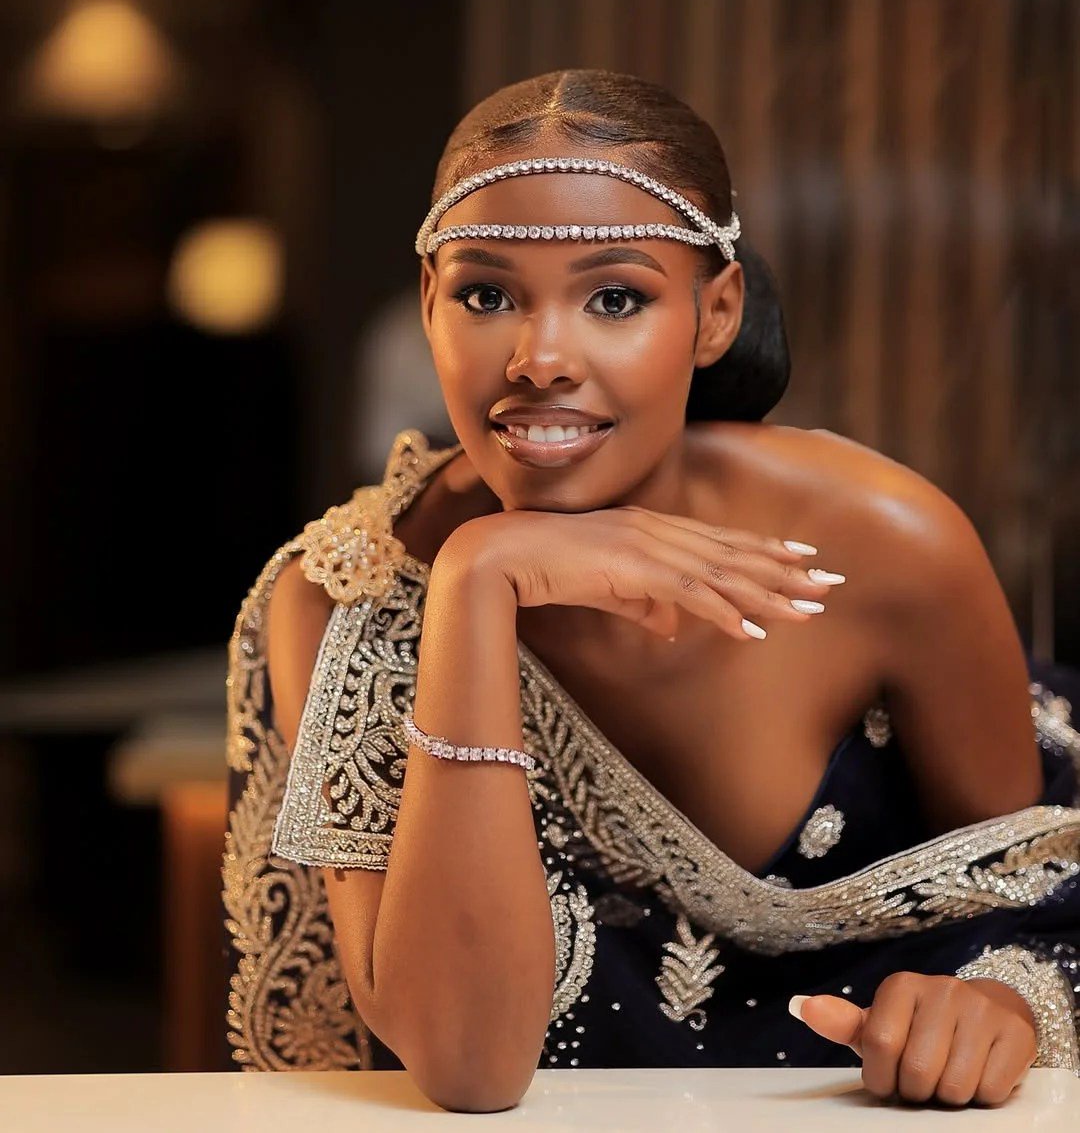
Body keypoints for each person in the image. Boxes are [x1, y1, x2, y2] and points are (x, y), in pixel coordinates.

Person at [221, 69, 1080, 1112]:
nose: (541, 359)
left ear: (715, 313)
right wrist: (477, 582)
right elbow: (466, 1063)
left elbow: (1038, 899)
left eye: (615, 298)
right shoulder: (347, 593)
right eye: (486, 295)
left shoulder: (885, 544)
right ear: (428, 306)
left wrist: (999, 1002)